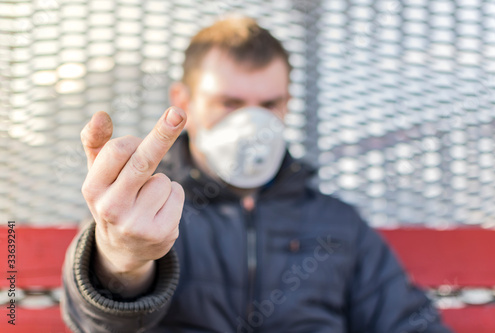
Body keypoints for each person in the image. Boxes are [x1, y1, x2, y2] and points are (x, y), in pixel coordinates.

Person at [61, 16, 452, 333]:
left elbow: (409, 322)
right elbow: (95, 323)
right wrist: (122, 261)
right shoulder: (140, 209)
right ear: (183, 101)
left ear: (287, 104)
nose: (251, 124)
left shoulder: (337, 224)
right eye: (230, 103)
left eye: (268, 104)